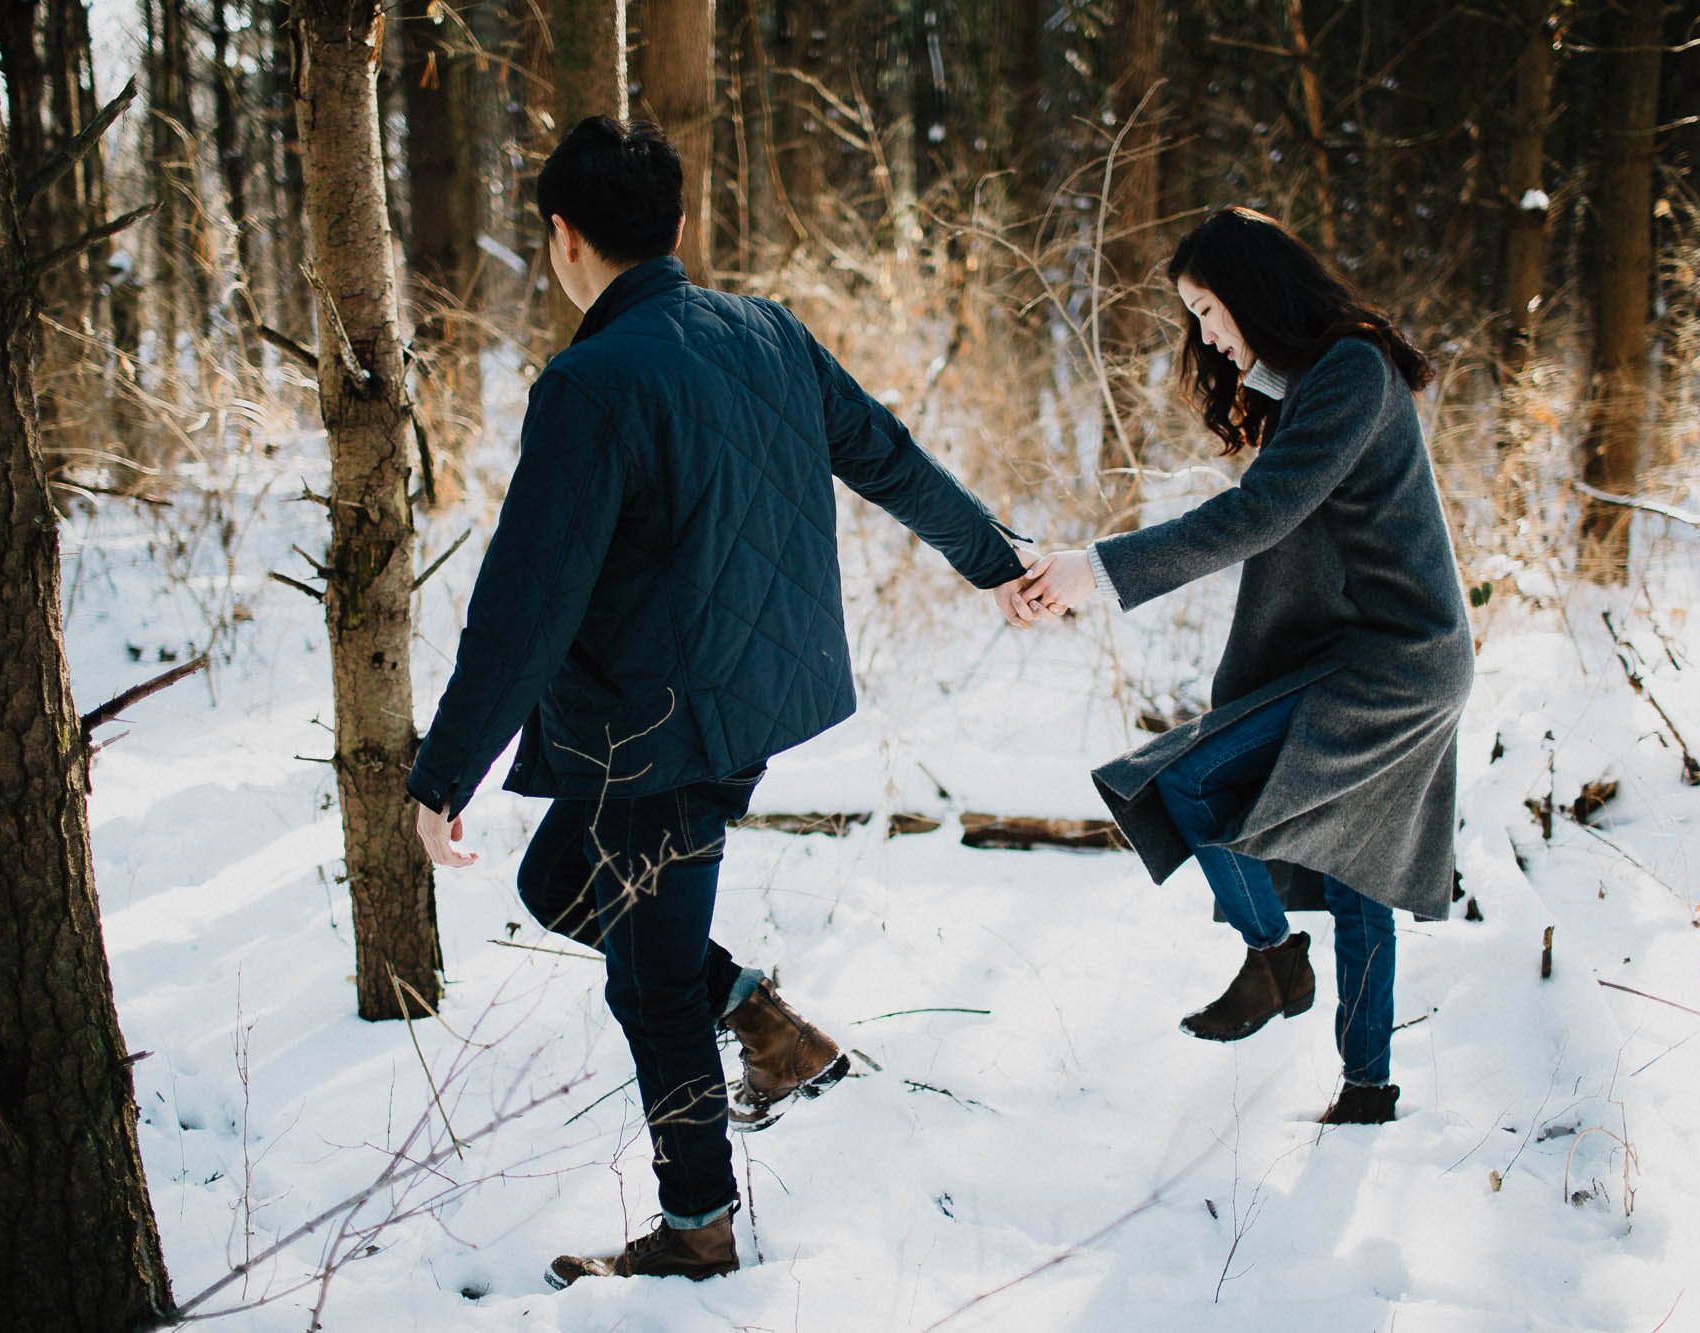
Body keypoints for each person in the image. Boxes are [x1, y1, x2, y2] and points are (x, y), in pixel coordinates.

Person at [406, 116, 1032, 1287]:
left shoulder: (590, 381)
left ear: (561, 237)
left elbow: (526, 602)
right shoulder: (768, 332)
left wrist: (444, 773)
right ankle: (759, 1019)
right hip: (740, 699)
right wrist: (990, 558)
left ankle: (697, 1230)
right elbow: (887, 456)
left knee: (647, 980)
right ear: (678, 229)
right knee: (556, 883)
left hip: (655, 726)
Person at [1013, 206, 1474, 1124]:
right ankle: (1366, 1088)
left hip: (1395, 663)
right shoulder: (1321, 377)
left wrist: (1091, 570)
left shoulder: (1351, 368)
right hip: (1370, 653)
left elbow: (1259, 516)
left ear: (1256, 289)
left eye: (1208, 309)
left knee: (1192, 782)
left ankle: (1274, 960)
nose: (1207, 336)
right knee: (1353, 871)